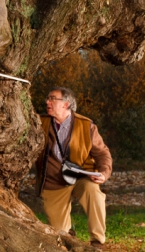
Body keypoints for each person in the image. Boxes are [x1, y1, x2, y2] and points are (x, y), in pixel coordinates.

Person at [35, 86, 112, 249]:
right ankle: (69, 234)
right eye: (47, 98)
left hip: (81, 177)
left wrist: (104, 173)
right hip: (53, 182)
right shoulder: (39, 122)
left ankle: (97, 242)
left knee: (93, 191)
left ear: (66, 104)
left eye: (52, 98)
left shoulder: (87, 125)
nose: (47, 102)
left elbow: (102, 153)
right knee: (59, 232)